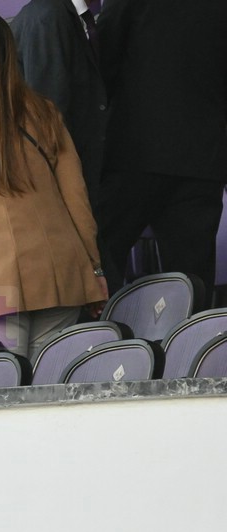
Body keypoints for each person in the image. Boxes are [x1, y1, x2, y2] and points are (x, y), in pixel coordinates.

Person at [0, 12, 108, 363]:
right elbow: (77, 200)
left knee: (2, 390)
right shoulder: (44, 112)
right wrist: (94, 270)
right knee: (47, 389)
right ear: (10, 54)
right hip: (60, 279)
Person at [96, 0, 227, 304]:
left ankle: (106, 332)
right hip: (201, 160)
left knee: (101, 259)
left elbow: (101, 66)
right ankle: (192, 335)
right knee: (192, 280)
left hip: (133, 154)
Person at [10, 0, 108, 209]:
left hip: (78, 176)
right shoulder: (48, 17)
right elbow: (50, 117)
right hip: (65, 185)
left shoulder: (59, 14)